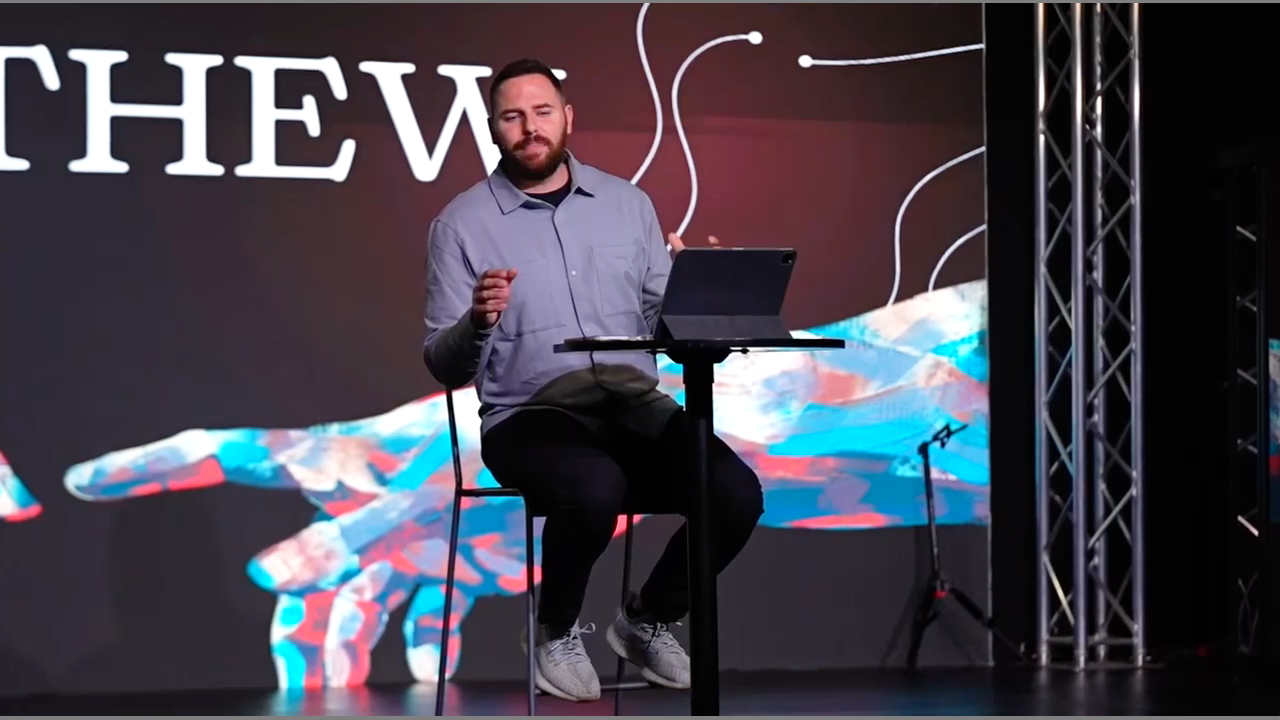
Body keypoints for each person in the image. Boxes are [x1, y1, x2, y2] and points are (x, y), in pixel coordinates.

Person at [421, 58, 764, 703]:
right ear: (493, 129)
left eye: (542, 112)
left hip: (634, 406)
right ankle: (555, 629)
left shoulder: (628, 205)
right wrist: (477, 321)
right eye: (512, 117)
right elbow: (444, 362)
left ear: (568, 118)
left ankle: (648, 618)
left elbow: (666, 325)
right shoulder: (461, 225)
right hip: (529, 416)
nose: (530, 128)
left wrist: (703, 299)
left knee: (735, 493)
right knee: (595, 486)